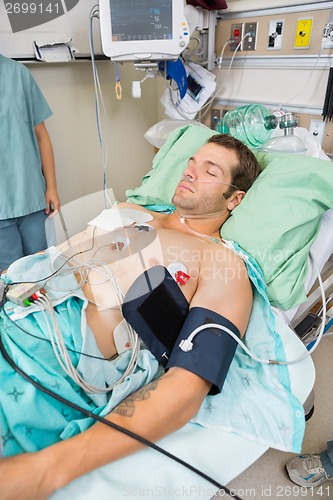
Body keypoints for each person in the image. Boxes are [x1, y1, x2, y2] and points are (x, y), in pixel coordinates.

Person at [0, 134, 261, 498]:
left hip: (47, 366)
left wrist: (50, 468)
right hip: (15, 304)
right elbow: (56, 257)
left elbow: (188, 386)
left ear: (235, 198)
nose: (190, 171)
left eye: (209, 170)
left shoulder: (221, 264)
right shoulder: (129, 211)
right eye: (191, 162)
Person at [0, 54, 60, 273]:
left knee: (44, 271)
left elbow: (42, 136)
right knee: (12, 283)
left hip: (33, 200)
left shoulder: (18, 73)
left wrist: (51, 187)